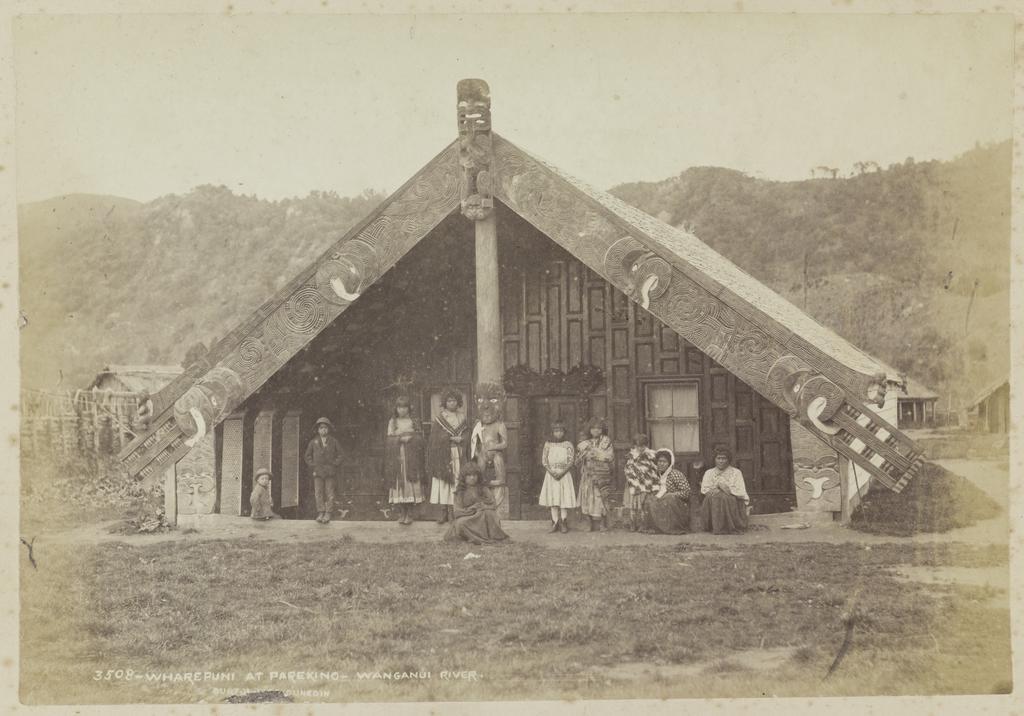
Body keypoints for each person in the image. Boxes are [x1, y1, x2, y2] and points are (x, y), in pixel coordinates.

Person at [426, 390, 468, 525]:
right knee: (444, 482)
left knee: (456, 479)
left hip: (458, 453)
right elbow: (435, 438)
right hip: (444, 455)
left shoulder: (462, 418)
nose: (452, 403)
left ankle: (453, 511)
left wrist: (462, 438)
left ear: (458, 402)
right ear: (445, 402)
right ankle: (443, 511)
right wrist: (449, 438)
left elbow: (468, 434)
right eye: (449, 401)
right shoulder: (440, 419)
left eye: (454, 401)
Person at [444, 462, 510, 545]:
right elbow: (457, 512)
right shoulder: (460, 492)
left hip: (482, 517)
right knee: (460, 524)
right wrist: (472, 509)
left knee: (490, 514)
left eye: (475, 475)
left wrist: (482, 506)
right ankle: (475, 538)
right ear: (464, 477)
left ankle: (487, 537)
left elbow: (493, 504)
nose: (472, 478)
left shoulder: (483, 489)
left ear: (478, 476)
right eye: (469, 475)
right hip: (468, 518)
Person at [470, 383, 509, 520]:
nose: (486, 406)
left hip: (495, 452)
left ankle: (500, 479)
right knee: (480, 464)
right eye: (480, 400)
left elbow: (505, 443)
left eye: (492, 400)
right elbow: (475, 442)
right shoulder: (479, 426)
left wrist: (494, 447)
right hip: (483, 453)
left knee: (498, 459)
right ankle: (481, 481)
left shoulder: (500, 425)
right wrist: (476, 452)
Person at [385, 396, 426, 525]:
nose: (402, 410)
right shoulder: (393, 422)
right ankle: (402, 513)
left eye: (404, 407)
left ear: (409, 408)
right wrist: (399, 440)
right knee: (399, 482)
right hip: (398, 457)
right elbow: (389, 440)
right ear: (396, 409)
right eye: (399, 407)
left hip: (411, 457)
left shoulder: (413, 421)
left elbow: (420, 438)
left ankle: (410, 513)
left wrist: (412, 439)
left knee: (410, 481)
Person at [576, 417, 615, 532]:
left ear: (602, 430)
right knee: (587, 497)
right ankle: (588, 522)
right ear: (589, 430)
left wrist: (597, 454)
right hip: (588, 475)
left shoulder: (606, 442)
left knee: (600, 497)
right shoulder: (584, 443)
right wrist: (585, 455)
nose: (596, 431)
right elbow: (577, 460)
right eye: (593, 428)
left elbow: (610, 456)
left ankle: (602, 523)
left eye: (599, 428)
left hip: (601, 474)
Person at [699, 446, 750, 534]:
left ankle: (726, 527)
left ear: (728, 459)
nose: (721, 461)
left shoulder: (736, 472)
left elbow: (741, 491)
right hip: (713, 500)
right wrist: (717, 487)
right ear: (714, 459)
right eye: (718, 458)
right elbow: (704, 489)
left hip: (733, 501)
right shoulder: (709, 473)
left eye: (724, 458)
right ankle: (715, 526)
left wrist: (726, 489)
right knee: (715, 497)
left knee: (722, 497)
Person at [538, 420, 577, 533]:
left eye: (560, 431)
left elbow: (570, 460)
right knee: (553, 498)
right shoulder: (548, 444)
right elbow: (544, 460)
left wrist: (561, 472)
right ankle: (554, 522)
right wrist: (552, 472)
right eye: (556, 431)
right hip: (551, 475)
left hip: (564, 474)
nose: (558, 433)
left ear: (564, 432)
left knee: (563, 498)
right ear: (552, 432)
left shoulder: (568, 444)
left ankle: (564, 521)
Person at [304, 417, 343, 524]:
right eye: (321, 428)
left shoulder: (334, 441)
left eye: (325, 428)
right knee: (318, 493)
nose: (323, 430)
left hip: (330, 472)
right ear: (318, 430)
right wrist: (313, 466)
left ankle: (328, 513)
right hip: (318, 472)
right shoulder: (313, 442)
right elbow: (307, 456)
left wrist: (334, 464)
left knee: (329, 492)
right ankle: (320, 512)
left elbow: (341, 455)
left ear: (328, 429)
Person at [647, 449, 692, 534]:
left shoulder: (675, 474)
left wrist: (672, 495)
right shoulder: (655, 475)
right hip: (661, 502)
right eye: (659, 461)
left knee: (669, 498)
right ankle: (658, 527)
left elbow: (686, 492)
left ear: (669, 463)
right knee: (651, 499)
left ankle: (673, 528)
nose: (661, 464)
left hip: (677, 504)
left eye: (664, 461)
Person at [623, 434, 660, 532]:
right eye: (638, 446)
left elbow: (654, 468)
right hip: (634, 482)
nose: (641, 448)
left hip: (646, 482)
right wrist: (633, 479)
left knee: (644, 504)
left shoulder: (650, 455)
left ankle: (643, 524)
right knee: (633, 505)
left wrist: (650, 478)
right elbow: (628, 468)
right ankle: (633, 523)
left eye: (643, 446)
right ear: (634, 445)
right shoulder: (631, 456)